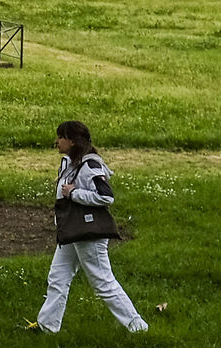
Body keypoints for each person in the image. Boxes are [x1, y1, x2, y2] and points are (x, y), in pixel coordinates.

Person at [31, 119, 149, 334]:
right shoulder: (71, 162)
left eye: (60, 137)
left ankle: (138, 327)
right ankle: (47, 326)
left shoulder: (90, 165)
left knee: (103, 282)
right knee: (57, 278)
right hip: (71, 232)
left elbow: (106, 196)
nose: (56, 141)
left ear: (72, 140)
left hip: (87, 234)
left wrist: (74, 193)